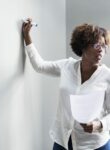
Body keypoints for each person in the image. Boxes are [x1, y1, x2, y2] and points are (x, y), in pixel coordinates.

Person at [22, 18, 110, 150]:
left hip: (94, 144)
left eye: (104, 46)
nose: (101, 51)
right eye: (97, 45)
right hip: (63, 141)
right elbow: (40, 66)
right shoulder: (67, 66)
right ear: (83, 46)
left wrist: (99, 125)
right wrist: (27, 36)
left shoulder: (107, 76)